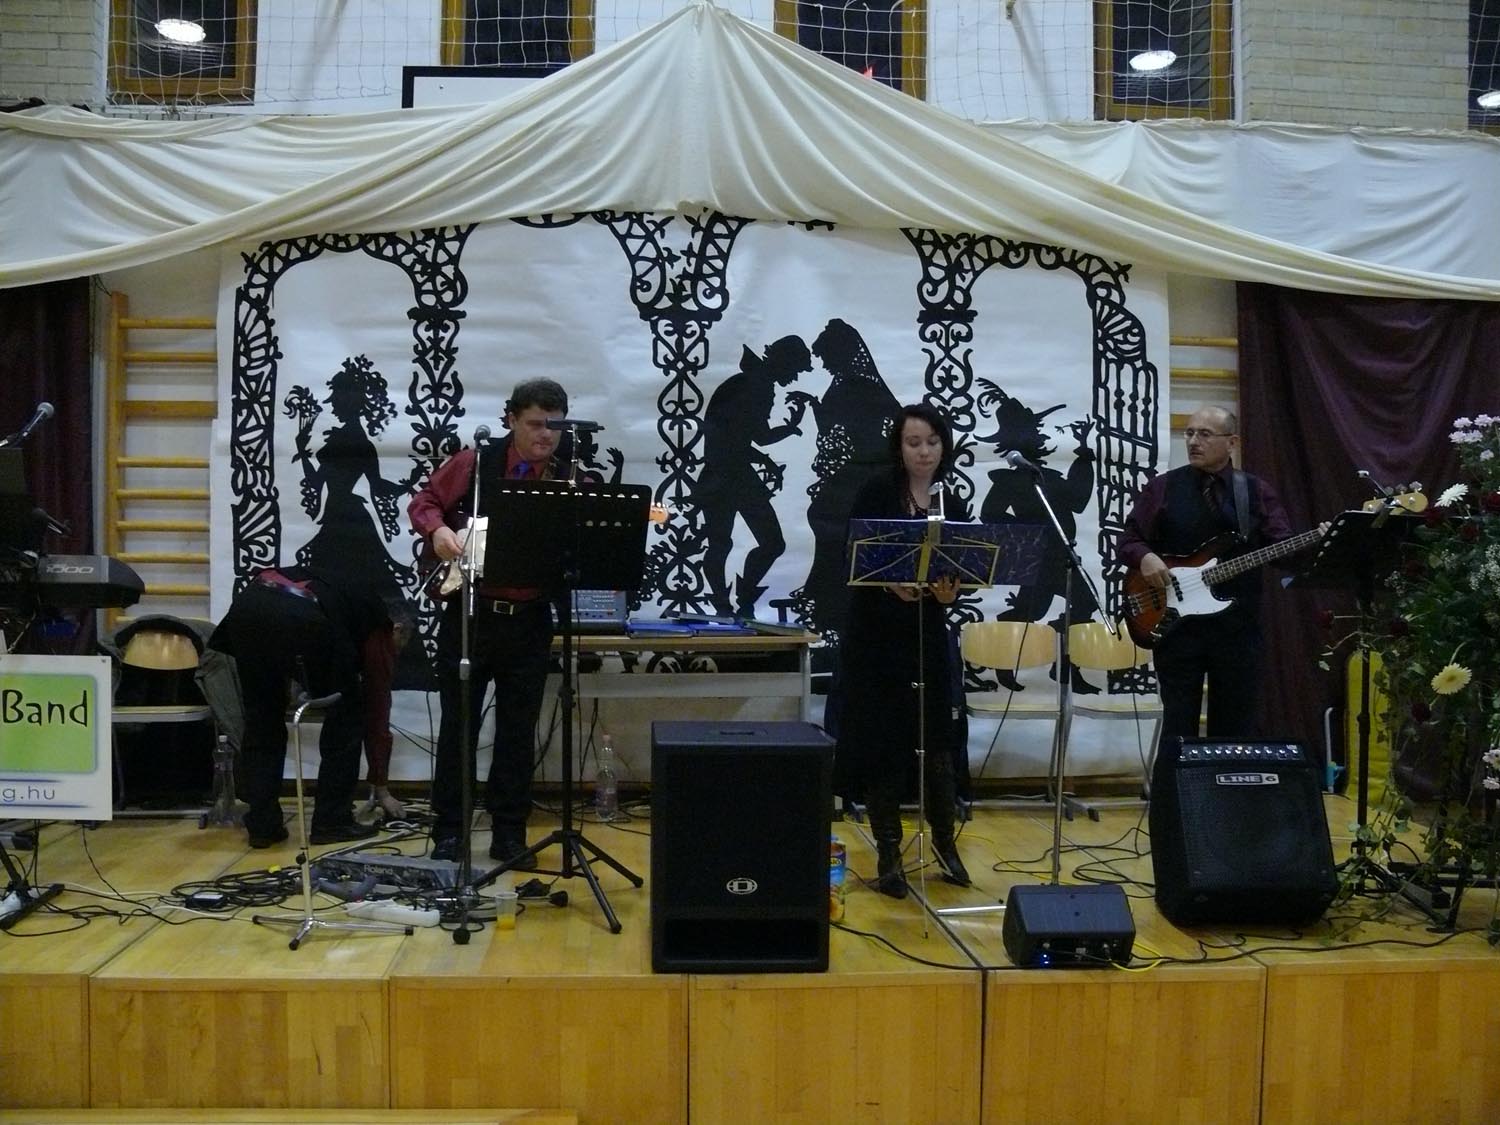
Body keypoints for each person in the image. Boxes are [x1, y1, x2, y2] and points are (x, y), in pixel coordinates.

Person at [407, 377, 571, 867]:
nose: (546, 435)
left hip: (530, 618)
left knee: (518, 732)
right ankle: (450, 831)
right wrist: (437, 531)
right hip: (471, 614)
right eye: (536, 424)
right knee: (459, 727)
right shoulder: (475, 462)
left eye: (555, 426)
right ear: (511, 420)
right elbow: (423, 502)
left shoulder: (568, 474)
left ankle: (509, 833)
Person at [834, 402, 971, 898]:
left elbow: (962, 567)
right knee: (885, 741)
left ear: (944, 446)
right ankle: (889, 853)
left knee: (937, 738)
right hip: (877, 634)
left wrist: (949, 594)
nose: (923, 452)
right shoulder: (877, 490)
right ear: (899, 447)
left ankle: (944, 843)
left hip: (926, 631)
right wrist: (889, 582)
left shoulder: (951, 501)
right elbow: (854, 553)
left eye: (932, 442)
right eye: (914, 443)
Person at [1117, 405, 1298, 752]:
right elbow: (1128, 540)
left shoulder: (1256, 491)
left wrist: (1317, 541)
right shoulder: (1163, 488)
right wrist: (1146, 557)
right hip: (1176, 628)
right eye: (1189, 433)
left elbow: (1283, 549)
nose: (1193, 442)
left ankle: (1225, 789)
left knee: (1234, 731)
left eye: (1204, 434)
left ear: (1232, 442)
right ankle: (1175, 790)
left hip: (1238, 631)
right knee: (1178, 730)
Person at [208, 565, 394, 849]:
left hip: (249, 608)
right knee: (347, 716)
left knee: (262, 717)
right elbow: (377, 707)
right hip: (300, 613)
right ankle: (332, 822)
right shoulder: (379, 625)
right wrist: (381, 785)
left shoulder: (343, 589)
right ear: (397, 628)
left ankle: (263, 825)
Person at [695, 335, 812, 618]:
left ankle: (734, 604)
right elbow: (756, 436)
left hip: (726, 474)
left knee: (728, 542)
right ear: (784, 362)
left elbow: (737, 437)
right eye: (795, 369)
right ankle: (733, 604)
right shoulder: (755, 386)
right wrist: (791, 426)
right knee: (746, 542)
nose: (794, 377)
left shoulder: (751, 382)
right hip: (728, 476)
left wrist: (763, 459)